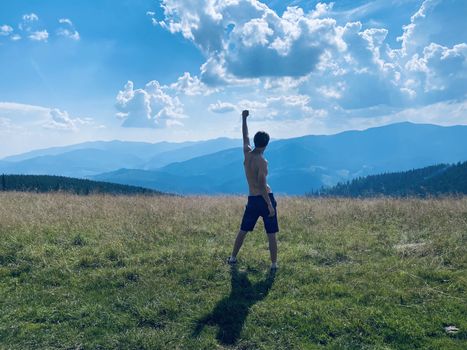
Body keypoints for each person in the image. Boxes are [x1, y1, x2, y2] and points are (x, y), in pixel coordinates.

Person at [227, 110, 279, 270]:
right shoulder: (262, 161)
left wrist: (243, 118)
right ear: (266, 144)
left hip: (252, 199)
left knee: (243, 230)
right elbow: (262, 185)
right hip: (264, 199)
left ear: (256, 142)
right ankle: (273, 265)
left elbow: (245, 136)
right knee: (271, 233)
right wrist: (269, 205)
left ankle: (233, 258)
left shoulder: (247, 154)